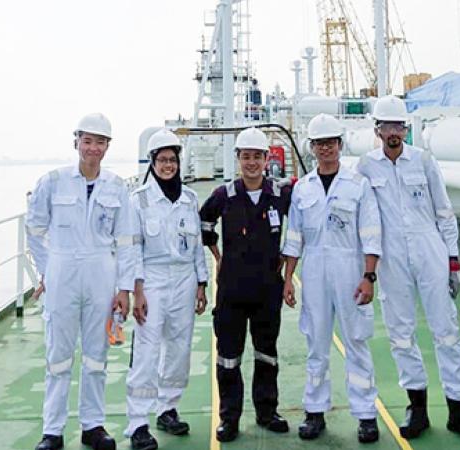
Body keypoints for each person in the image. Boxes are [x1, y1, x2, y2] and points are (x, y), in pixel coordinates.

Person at [356, 95, 460, 442]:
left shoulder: (424, 161)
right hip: (391, 256)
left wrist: (453, 261)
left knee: (446, 329)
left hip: (429, 249)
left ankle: (459, 409)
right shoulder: (366, 167)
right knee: (400, 332)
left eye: (398, 126)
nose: (393, 133)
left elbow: (444, 213)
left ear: (406, 129)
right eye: (387, 126)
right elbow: (362, 216)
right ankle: (417, 407)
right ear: (377, 130)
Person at [26, 113, 135, 450]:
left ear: (107, 146)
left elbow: (126, 241)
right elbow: (34, 229)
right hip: (62, 271)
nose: (93, 148)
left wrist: (124, 288)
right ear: (76, 142)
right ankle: (52, 430)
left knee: (96, 355)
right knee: (58, 355)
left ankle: (93, 425)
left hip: (101, 274)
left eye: (100, 142)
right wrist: (48, 271)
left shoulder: (117, 186)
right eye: (87, 141)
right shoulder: (53, 181)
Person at [281, 113, 383, 443]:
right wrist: (288, 278)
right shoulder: (303, 189)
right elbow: (294, 236)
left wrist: (369, 276)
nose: (325, 149)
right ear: (311, 148)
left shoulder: (358, 185)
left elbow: (371, 233)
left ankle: (366, 414)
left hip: (350, 268)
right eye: (319, 143)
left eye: (330, 143)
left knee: (356, 340)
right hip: (314, 270)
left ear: (340, 145)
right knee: (316, 342)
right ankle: (314, 411)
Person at [199, 127, 292, 442]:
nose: (251, 163)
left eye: (257, 157)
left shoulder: (280, 194)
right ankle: (229, 418)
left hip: (267, 289)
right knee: (228, 357)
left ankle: (267, 412)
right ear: (238, 158)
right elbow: (204, 223)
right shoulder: (224, 195)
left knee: (267, 354)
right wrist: (217, 255)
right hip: (232, 290)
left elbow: (304, 221)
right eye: (246, 156)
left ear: (266, 159)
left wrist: (286, 254)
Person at [124, 129, 209, 450]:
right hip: (152, 279)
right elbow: (133, 249)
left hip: (184, 279)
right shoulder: (139, 200)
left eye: (172, 159)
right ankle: (137, 423)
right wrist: (137, 290)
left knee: (179, 347)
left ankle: (167, 409)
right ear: (152, 162)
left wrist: (202, 283)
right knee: (146, 351)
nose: (168, 165)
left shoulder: (189, 199)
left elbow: (197, 245)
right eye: (162, 160)